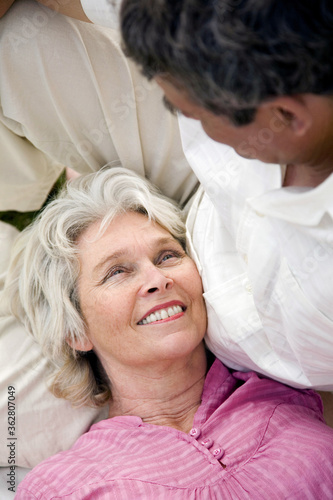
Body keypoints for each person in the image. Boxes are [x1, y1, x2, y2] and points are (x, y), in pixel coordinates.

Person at [4, 167, 333, 499]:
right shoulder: (62, 487)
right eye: (117, 271)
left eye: (167, 256)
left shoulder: (295, 379)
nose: (158, 279)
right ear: (76, 330)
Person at [118, 0, 333, 390]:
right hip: (196, 185)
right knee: (22, 34)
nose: (189, 120)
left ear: (287, 115)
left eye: (195, 115)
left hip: (252, 378)